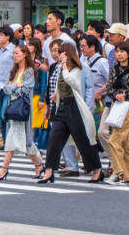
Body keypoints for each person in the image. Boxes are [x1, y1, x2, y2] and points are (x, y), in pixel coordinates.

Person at [38, 43, 103, 184]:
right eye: (59, 52)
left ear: (69, 54)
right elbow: (58, 85)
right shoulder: (59, 68)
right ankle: (49, 170)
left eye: (63, 53)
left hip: (75, 108)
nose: (60, 55)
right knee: (54, 139)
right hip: (61, 107)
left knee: (84, 141)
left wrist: (65, 67)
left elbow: (73, 82)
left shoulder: (78, 69)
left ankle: (97, 169)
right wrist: (56, 95)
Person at [0, 44, 44, 180]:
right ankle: (39, 165)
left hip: (22, 109)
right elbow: (6, 88)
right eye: (14, 53)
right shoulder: (15, 70)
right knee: (23, 142)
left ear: (24, 54)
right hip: (13, 108)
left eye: (17, 53)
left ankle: (4, 169)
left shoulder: (29, 71)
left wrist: (13, 88)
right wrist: (15, 86)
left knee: (21, 140)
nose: (14, 56)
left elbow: (27, 90)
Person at [104, 42, 129, 185]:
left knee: (114, 140)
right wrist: (116, 94)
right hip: (117, 105)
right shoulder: (114, 69)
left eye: (122, 51)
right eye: (117, 51)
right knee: (125, 142)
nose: (119, 54)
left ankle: (118, 172)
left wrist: (122, 94)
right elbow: (109, 88)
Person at [0, 26, 16, 145]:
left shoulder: (14, 50)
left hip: (10, 88)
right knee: (1, 117)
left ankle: (10, 143)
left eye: (0, 35)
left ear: (7, 37)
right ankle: (7, 142)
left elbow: (18, 68)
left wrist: (13, 83)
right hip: (0, 88)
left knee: (6, 115)